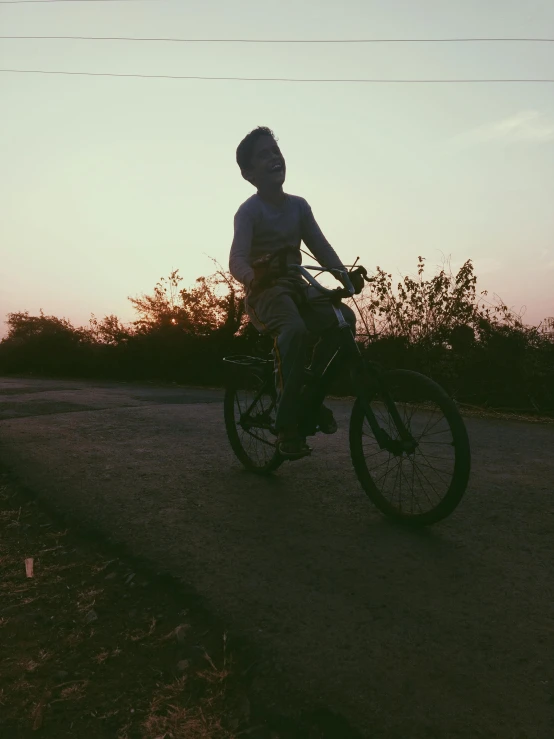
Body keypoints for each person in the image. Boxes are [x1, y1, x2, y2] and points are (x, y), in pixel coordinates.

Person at [229, 126, 356, 459]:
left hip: (297, 286)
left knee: (344, 319)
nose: (274, 157)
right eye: (263, 154)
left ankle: (308, 394)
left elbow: (321, 247)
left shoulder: (299, 207)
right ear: (248, 173)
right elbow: (237, 259)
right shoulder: (249, 211)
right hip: (266, 293)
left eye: (275, 150)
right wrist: (251, 277)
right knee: (294, 330)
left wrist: (344, 276)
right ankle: (286, 426)